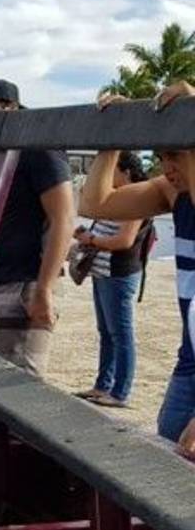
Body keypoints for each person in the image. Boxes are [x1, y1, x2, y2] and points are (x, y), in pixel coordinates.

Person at [82, 80, 195, 459]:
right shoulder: (172, 192)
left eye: (175, 154)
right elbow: (95, 203)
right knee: (169, 454)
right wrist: (112, 139)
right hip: (191, 356)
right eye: (161, 155)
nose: (167, 166)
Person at [0, 79, 74, 375]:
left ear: (12, 108)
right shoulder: (2, 156)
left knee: (20, 387)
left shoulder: (39, 148)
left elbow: (63, 219)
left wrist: (43, 290)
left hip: (25, 284)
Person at [72, 152, 150, 409]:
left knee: (121, 334)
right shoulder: (114, 199)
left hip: (118, 275)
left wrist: (90, 240)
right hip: (104, 273)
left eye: (109, 169)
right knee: (107, 333)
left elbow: (124, 241)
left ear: (125, 171)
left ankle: (119, 392)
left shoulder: (137, 199)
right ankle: (103, 386)